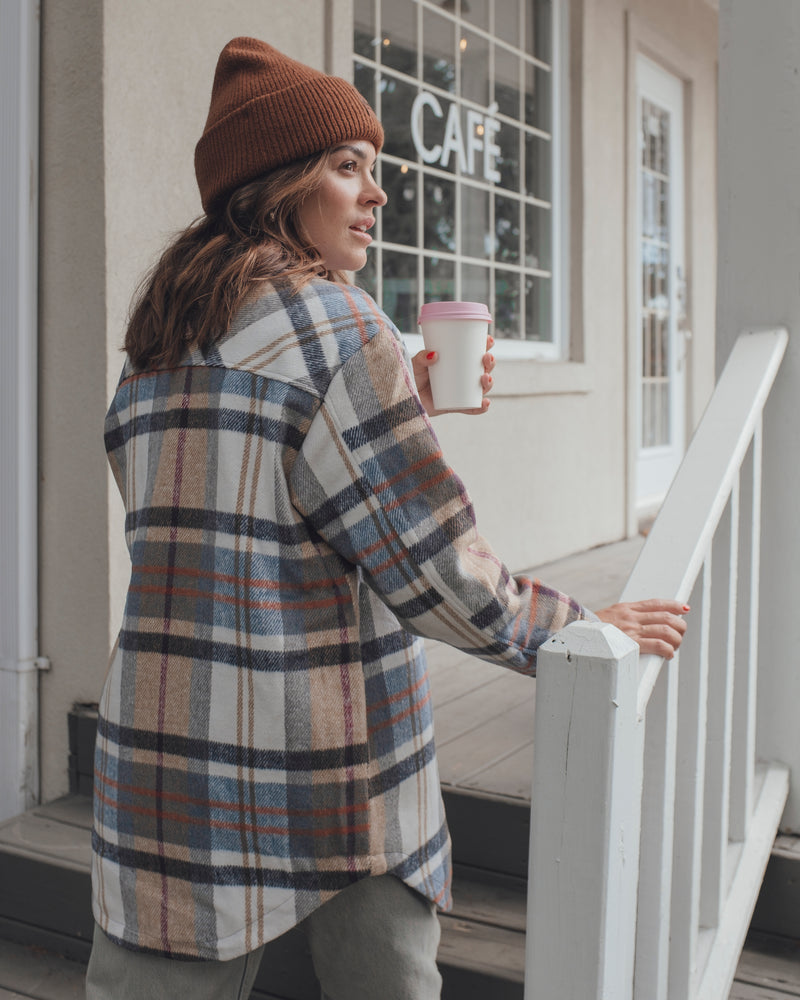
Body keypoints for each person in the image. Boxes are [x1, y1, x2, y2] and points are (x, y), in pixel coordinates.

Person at [86, 37, 687, 1000]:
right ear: (279, 183)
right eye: (347, 166)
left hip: (166, 750)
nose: (377, 194)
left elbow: (224, 517)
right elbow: (433, 566)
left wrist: (392, 400)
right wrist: (579, 631)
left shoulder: (159, 339)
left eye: (379, 170)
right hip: (336, 754)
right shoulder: (340, 324)